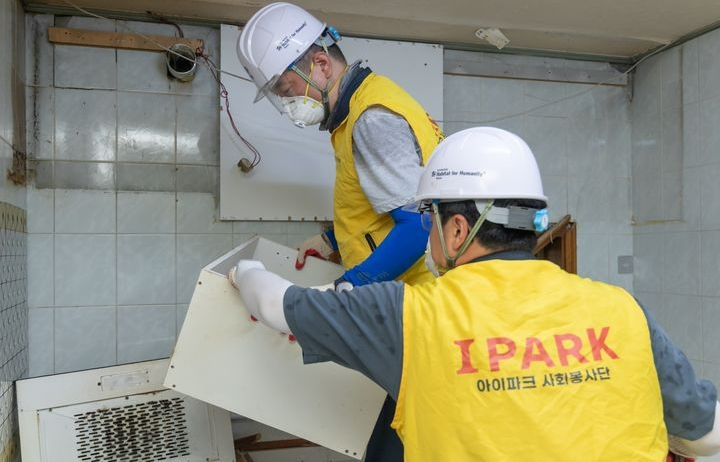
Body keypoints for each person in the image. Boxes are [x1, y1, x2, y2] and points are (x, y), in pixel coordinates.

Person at [229, 126, 720, 461]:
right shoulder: (623, 308)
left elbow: (272, 302)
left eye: (429, 219)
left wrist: (243, 269)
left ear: (458, 229)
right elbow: (706, 435)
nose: (427, 233)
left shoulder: (410, 315)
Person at [236, 1, 444, 461]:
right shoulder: (363, 109)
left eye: (287, 88)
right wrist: (330, 240)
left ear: (320, 63)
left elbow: (419, 227)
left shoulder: (372, 119)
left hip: (415, 306)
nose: (287, 103)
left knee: (398, 444)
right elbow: (387, 199)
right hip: (405, 302)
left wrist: (349, 287)